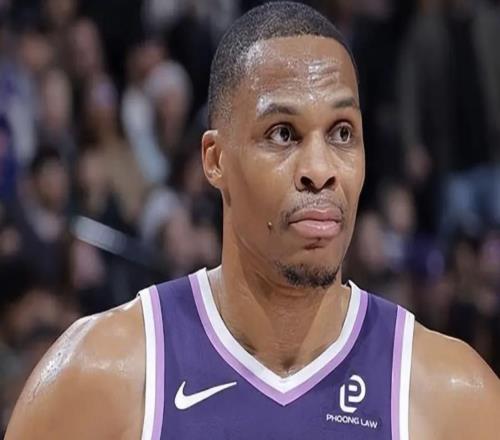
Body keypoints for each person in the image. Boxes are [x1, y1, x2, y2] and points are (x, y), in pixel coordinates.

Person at [5, 2, 500, 439]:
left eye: (342, 133)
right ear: (215, 160)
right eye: (283, 133)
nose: (320, 169)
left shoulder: (452, 396)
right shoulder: (101, 375)